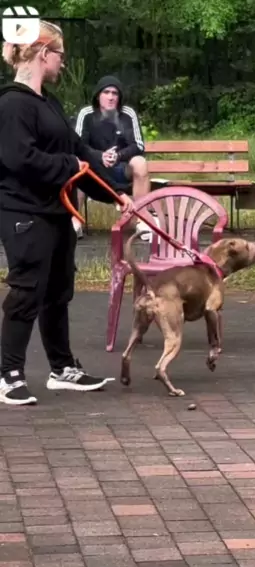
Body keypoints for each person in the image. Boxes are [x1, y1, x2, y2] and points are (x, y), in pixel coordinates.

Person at [0, 20, 134, 406]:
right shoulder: (12, 104)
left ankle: (61, 369)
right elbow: (19, 159)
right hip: (24, 211)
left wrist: (116, 195)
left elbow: (81, 155)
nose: (63, 62)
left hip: (58, 211)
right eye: (60, 54)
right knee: (27, 290)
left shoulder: (49, 103)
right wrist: (68, 165)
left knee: (58, 291)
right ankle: (9, 375)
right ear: (44, 54)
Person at [74, 76, 152, 240]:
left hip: (121, 168)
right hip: (94, 171)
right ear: (98, 95)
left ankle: (142, 221)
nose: (110, 97)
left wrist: (118, 156)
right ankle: (75, 221)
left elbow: (138, 145)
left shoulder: (128, 114)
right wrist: (99, 156)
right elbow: (78, 146)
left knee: (140, 162)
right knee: (78, 165)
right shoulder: (86, 114)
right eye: (106, 92)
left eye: (115, 93)